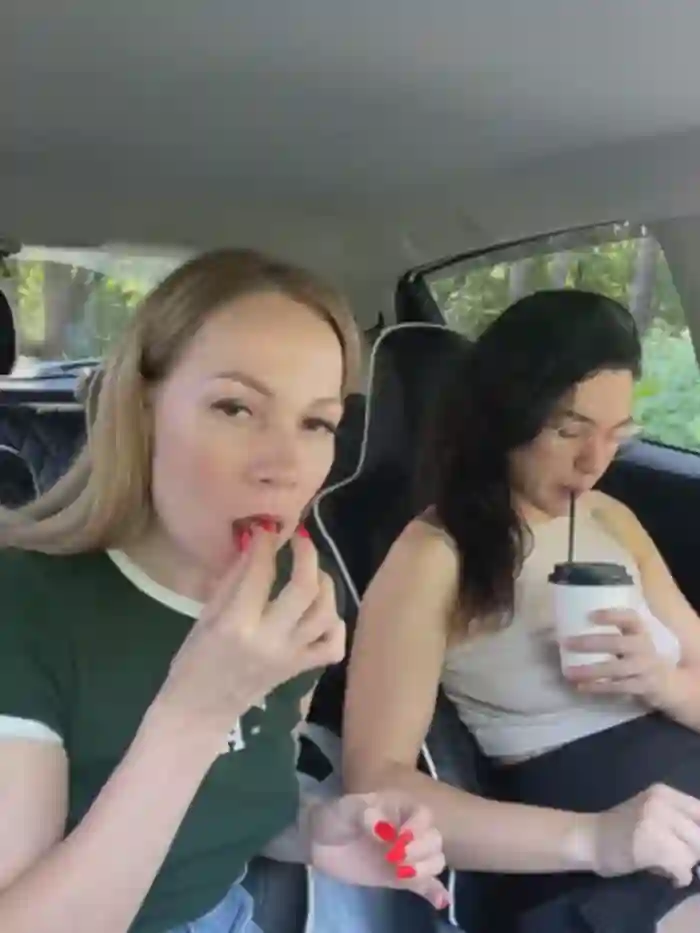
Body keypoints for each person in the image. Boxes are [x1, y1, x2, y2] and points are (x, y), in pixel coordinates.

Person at [0, 248, 450, 933]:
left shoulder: (293, 598)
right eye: (236, 408)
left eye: (316, 423)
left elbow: (233, 795)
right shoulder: (23, 606)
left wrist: (316, 828)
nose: (285, 466)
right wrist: (197, 707)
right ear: (143, 409)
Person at [342, 289, 700, 933]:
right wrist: (598, 838)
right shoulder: (434, 555)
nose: (595, 462)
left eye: (616, 434)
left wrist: (661, 682)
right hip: (609, 852)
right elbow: (373, 784)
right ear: (504, 415)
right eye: (569, 430)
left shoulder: (611, 518)